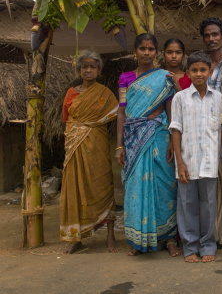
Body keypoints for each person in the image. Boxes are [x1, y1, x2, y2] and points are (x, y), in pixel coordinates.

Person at [115, 33, 182, 257]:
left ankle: (170, 238)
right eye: (142, 49)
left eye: (151, 49)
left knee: (164, 186)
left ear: (156, 52)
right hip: (133, 139)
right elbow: (122, 112)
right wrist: (119, 145)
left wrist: (174, 140)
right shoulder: (125, 78)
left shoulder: (165, 77)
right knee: (135, 188)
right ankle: (137, 240)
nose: (146, 53)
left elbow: (171, 110)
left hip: (159, 136)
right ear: (135, 51)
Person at [60, 50, 119, 254]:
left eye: (93, 66)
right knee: (76, 187)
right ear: (79, 69)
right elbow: (67, 121)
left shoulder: (105, 93)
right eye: (84, 66)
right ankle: (77, 238)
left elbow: (115, 113)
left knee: (103, 185)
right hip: (74, 147)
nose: (88, 70)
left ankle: (110, 236)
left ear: (98, 70)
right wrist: (74, 138)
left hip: (97, 146)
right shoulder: (71, 93)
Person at [170, 51, 222, 263]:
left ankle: (208, 244)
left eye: (203, 70)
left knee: (209, 205)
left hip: (210, 162)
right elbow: (176, 130)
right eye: (194, 70)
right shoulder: (180, 98)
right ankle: (190, 246)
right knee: (187, 205)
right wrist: (179, 163)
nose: (199, 74)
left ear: (210, 72)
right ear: (188, 73)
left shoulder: (217, 98)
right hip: (188, 162)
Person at [199, 17, 222, 246]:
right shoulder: (201, 68)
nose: (211, 39)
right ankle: (215, 235)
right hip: (205, 135)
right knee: (211, 187)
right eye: (207, 35)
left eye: (215, 34)